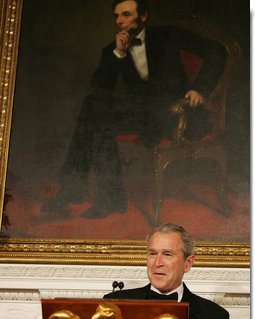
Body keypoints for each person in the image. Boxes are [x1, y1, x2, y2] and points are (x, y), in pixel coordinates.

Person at [41, 0, 227, 219]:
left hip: (176, 112)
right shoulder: (113, 48)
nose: (119, 20)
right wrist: (118, 54)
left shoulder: (169, 35)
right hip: (142, 112)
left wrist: (199, 88)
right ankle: (94, 194)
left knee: (96, 115)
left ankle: (92, 194)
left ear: (144, 16)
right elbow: (100, 87)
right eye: (116, 16)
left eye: (126, 14)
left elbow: (218, 51)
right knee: (93, 107)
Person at [103, 223, 229, 319]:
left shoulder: (213, 316)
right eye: (152, 254)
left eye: (167, 254)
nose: (157, 263)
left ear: (188, 264)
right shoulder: (114, 303)